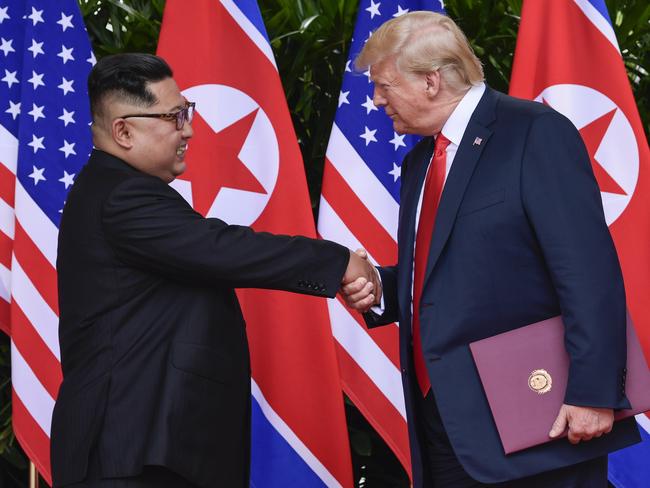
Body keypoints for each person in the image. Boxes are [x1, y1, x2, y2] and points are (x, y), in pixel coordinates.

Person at [51, 53, 379, 488]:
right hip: (128, 451)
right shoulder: (121, 196)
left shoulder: (117, 189)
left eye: (186, 112)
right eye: (173, 117)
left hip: (146, 450)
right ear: (123, 131)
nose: (187, 129)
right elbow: (220, 249)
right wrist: (339, 262)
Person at [342, 11, 639, 488]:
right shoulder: (421, 158)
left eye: (384, 85)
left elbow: (587, 269)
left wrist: (593, 392)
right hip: (445, 424)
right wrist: (382, 286)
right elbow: (448, 274)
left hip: (539, 420)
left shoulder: (534, 132)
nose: (376, 100)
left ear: (431, 81)